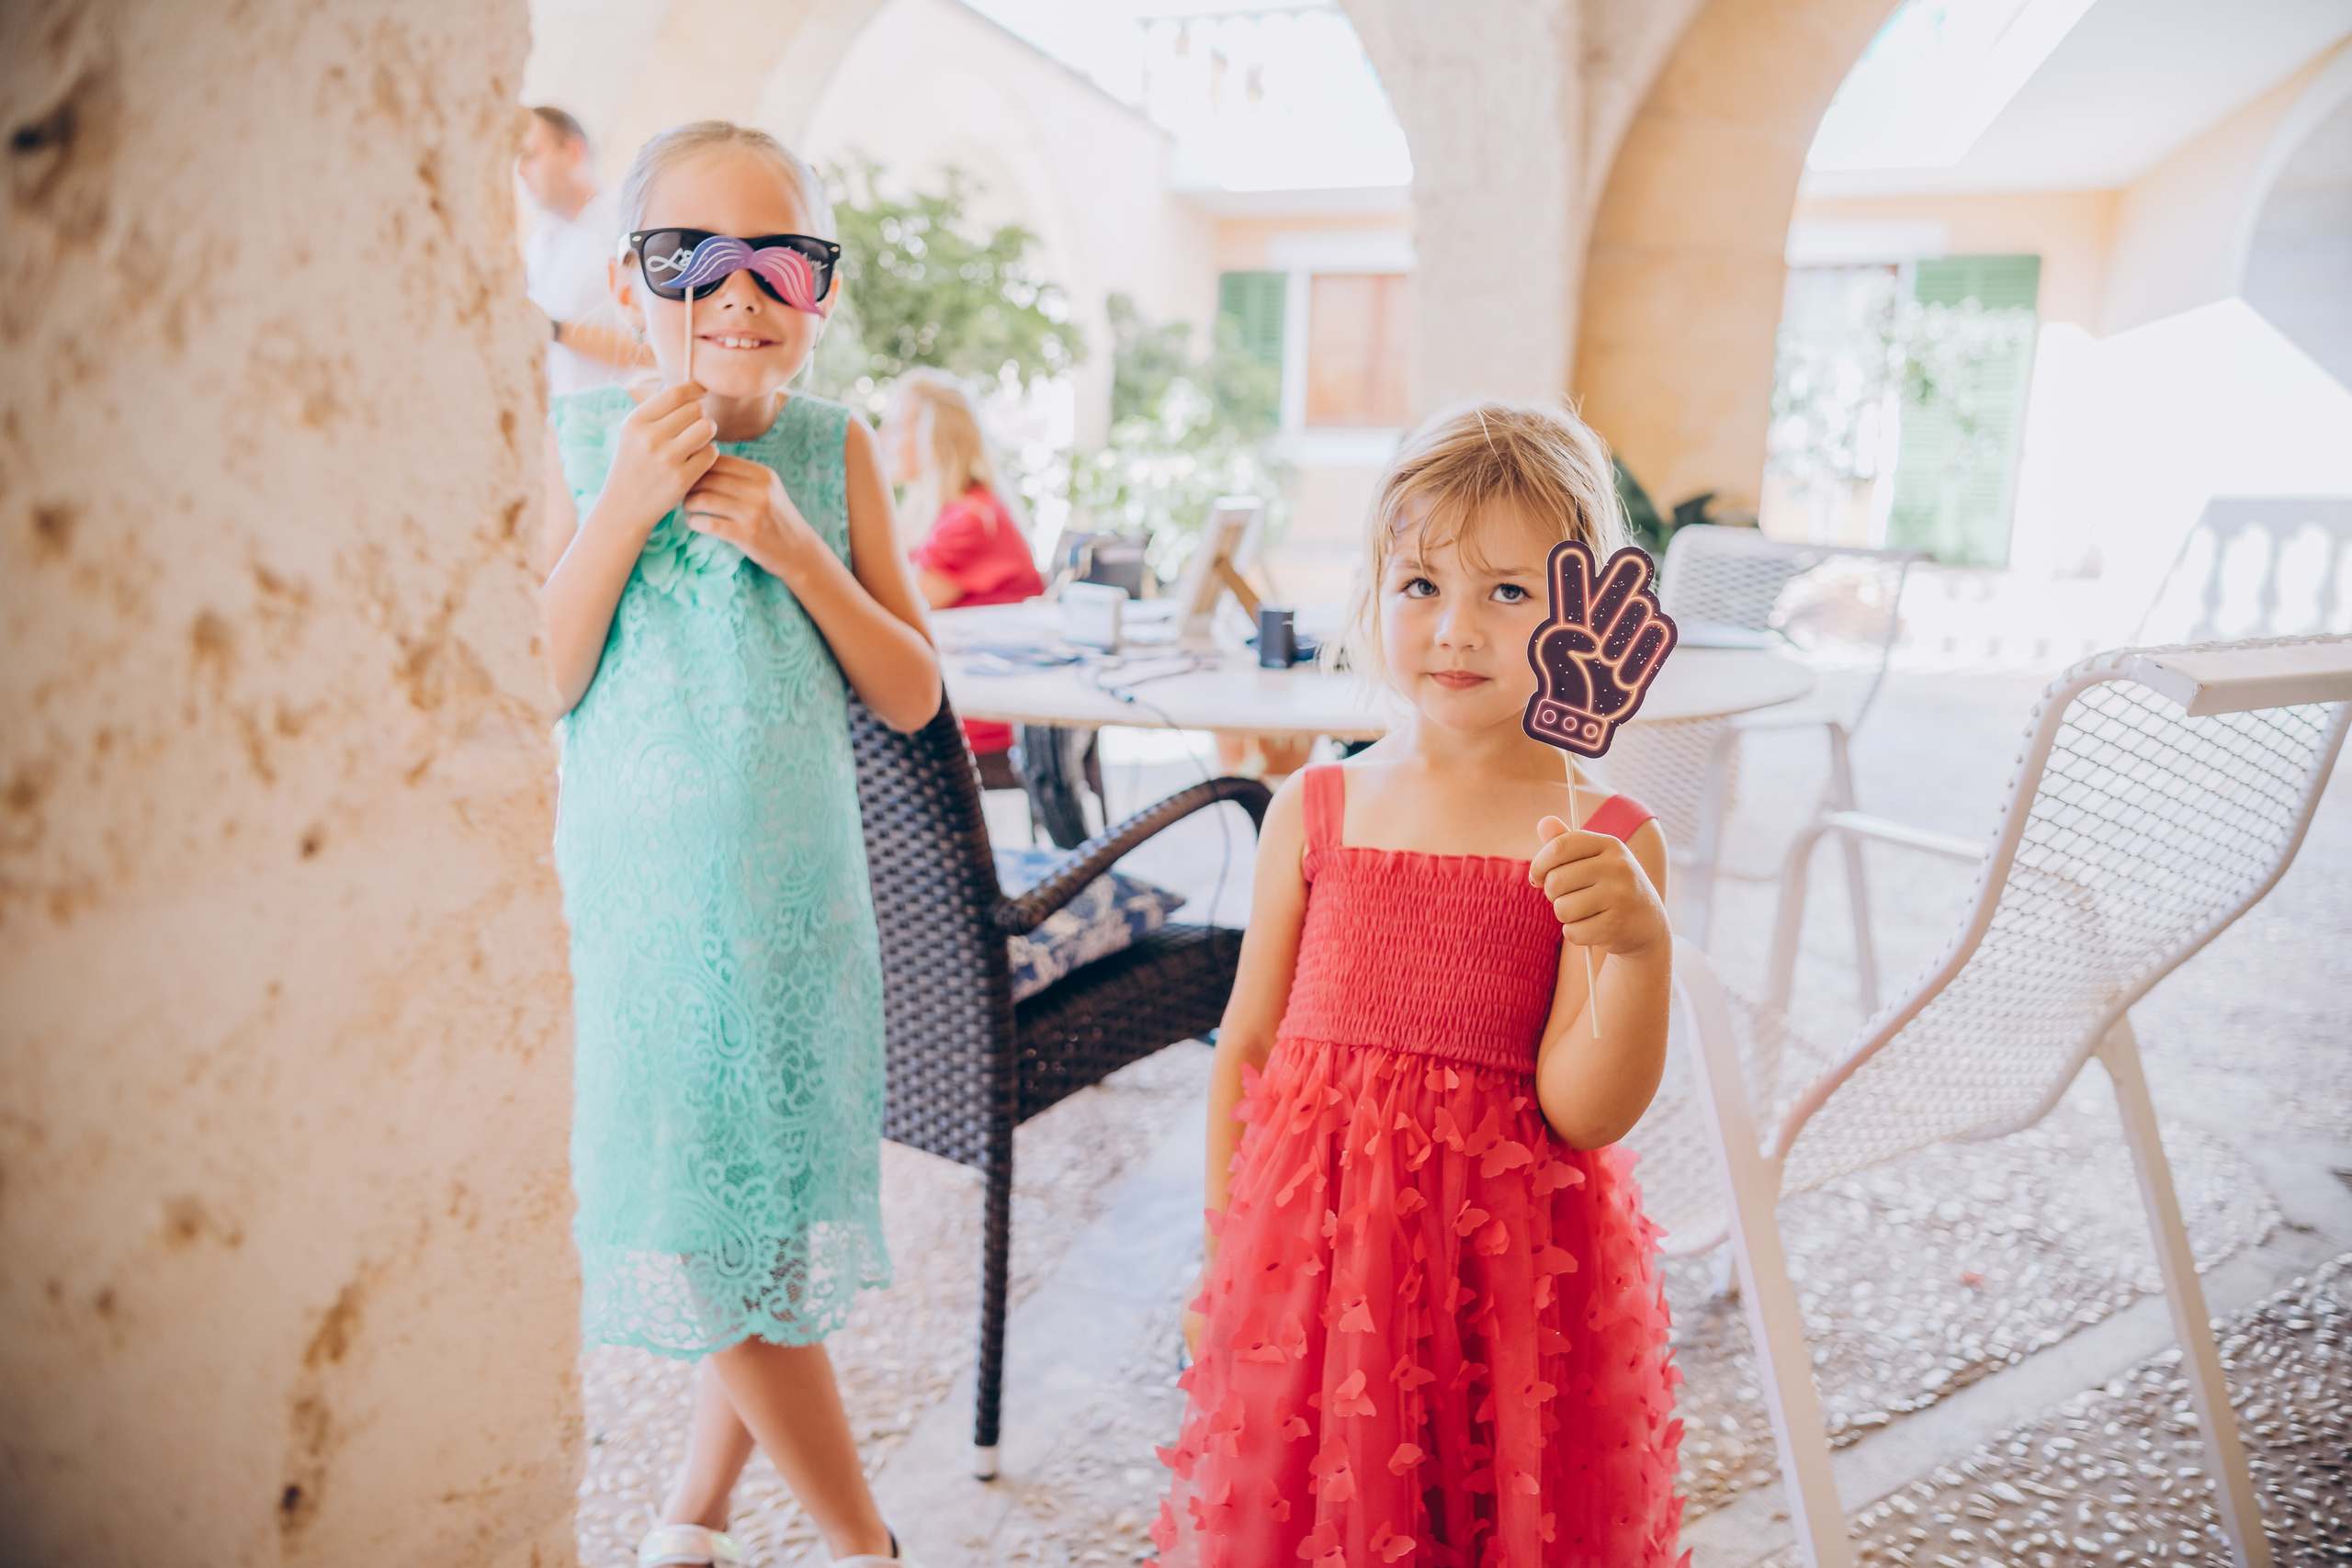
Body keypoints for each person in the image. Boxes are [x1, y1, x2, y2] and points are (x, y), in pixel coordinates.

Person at [1153, 401, 1686, 1565]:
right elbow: (1249, 1048)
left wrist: (1638, 949)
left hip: (1505, 1285)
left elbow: (1585, 1111)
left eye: (1509, 591)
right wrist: (1220, 1256)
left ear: (1584, 611)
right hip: (1314, 1272)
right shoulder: (1316, 809)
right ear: (1372, 592)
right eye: (1420, 585)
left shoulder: (1602, 836)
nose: (1456, 628)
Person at [539, 119, 939, 1568]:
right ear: (628, 281)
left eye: (780, 261)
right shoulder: (581, 446)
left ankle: (698, 1512)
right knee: (714, 1237)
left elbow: (913, 688)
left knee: (763, 1225)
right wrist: (627, 506)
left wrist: (796, 548)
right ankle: (865, 1543)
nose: (737, 292)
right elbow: (543, 677)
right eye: (689, 259)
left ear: (818, 291)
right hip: (646, 923)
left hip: (796, 914)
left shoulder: (837, 452)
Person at [879, 370, 1045, 777]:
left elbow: (891, 610)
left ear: (931, 437)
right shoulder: (950, 514)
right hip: (971, 697)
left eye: (897, 426)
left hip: (981, 715)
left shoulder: (970, 521)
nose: (882, 438)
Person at [516, 106, 649, 396]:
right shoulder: (539, 242)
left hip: (619, 413)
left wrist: (552, 329)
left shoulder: (630, 223)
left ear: (573, 152)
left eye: (530, 156)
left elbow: (654, 350)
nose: (520, 170)